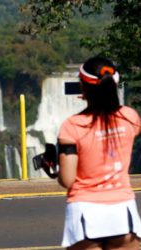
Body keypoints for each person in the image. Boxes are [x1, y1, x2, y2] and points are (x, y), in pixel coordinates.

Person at [58, 56, 141, 249]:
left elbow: (67, 179)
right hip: (122, 211)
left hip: (84, 213)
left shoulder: (72, 126)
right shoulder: (130, 118)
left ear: (83, 87)